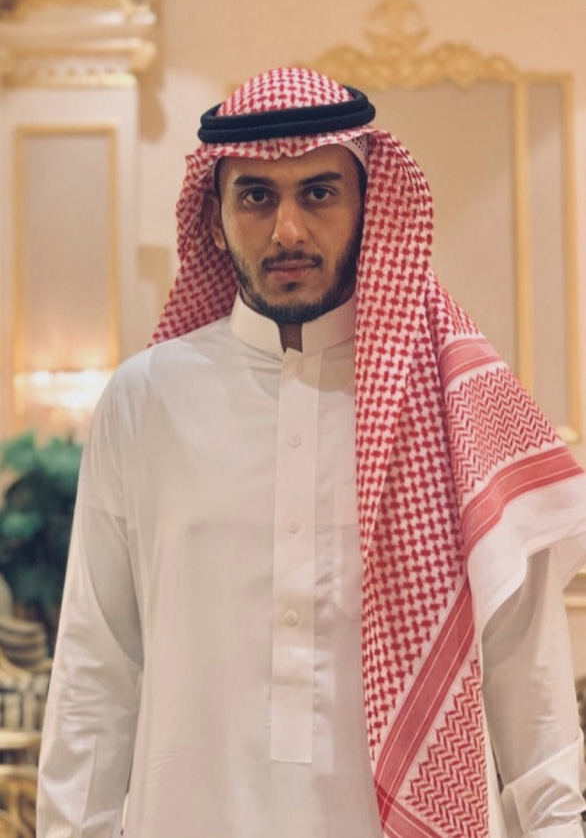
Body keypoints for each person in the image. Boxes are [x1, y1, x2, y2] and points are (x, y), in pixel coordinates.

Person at [37, 67, 586, 838]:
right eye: (257, 196)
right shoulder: (145, 399)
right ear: (215, 216)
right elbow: (96, 670)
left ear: (368, 205)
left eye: (319, 193)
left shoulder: (452, 395)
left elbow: (528, 672)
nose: (288, 229)